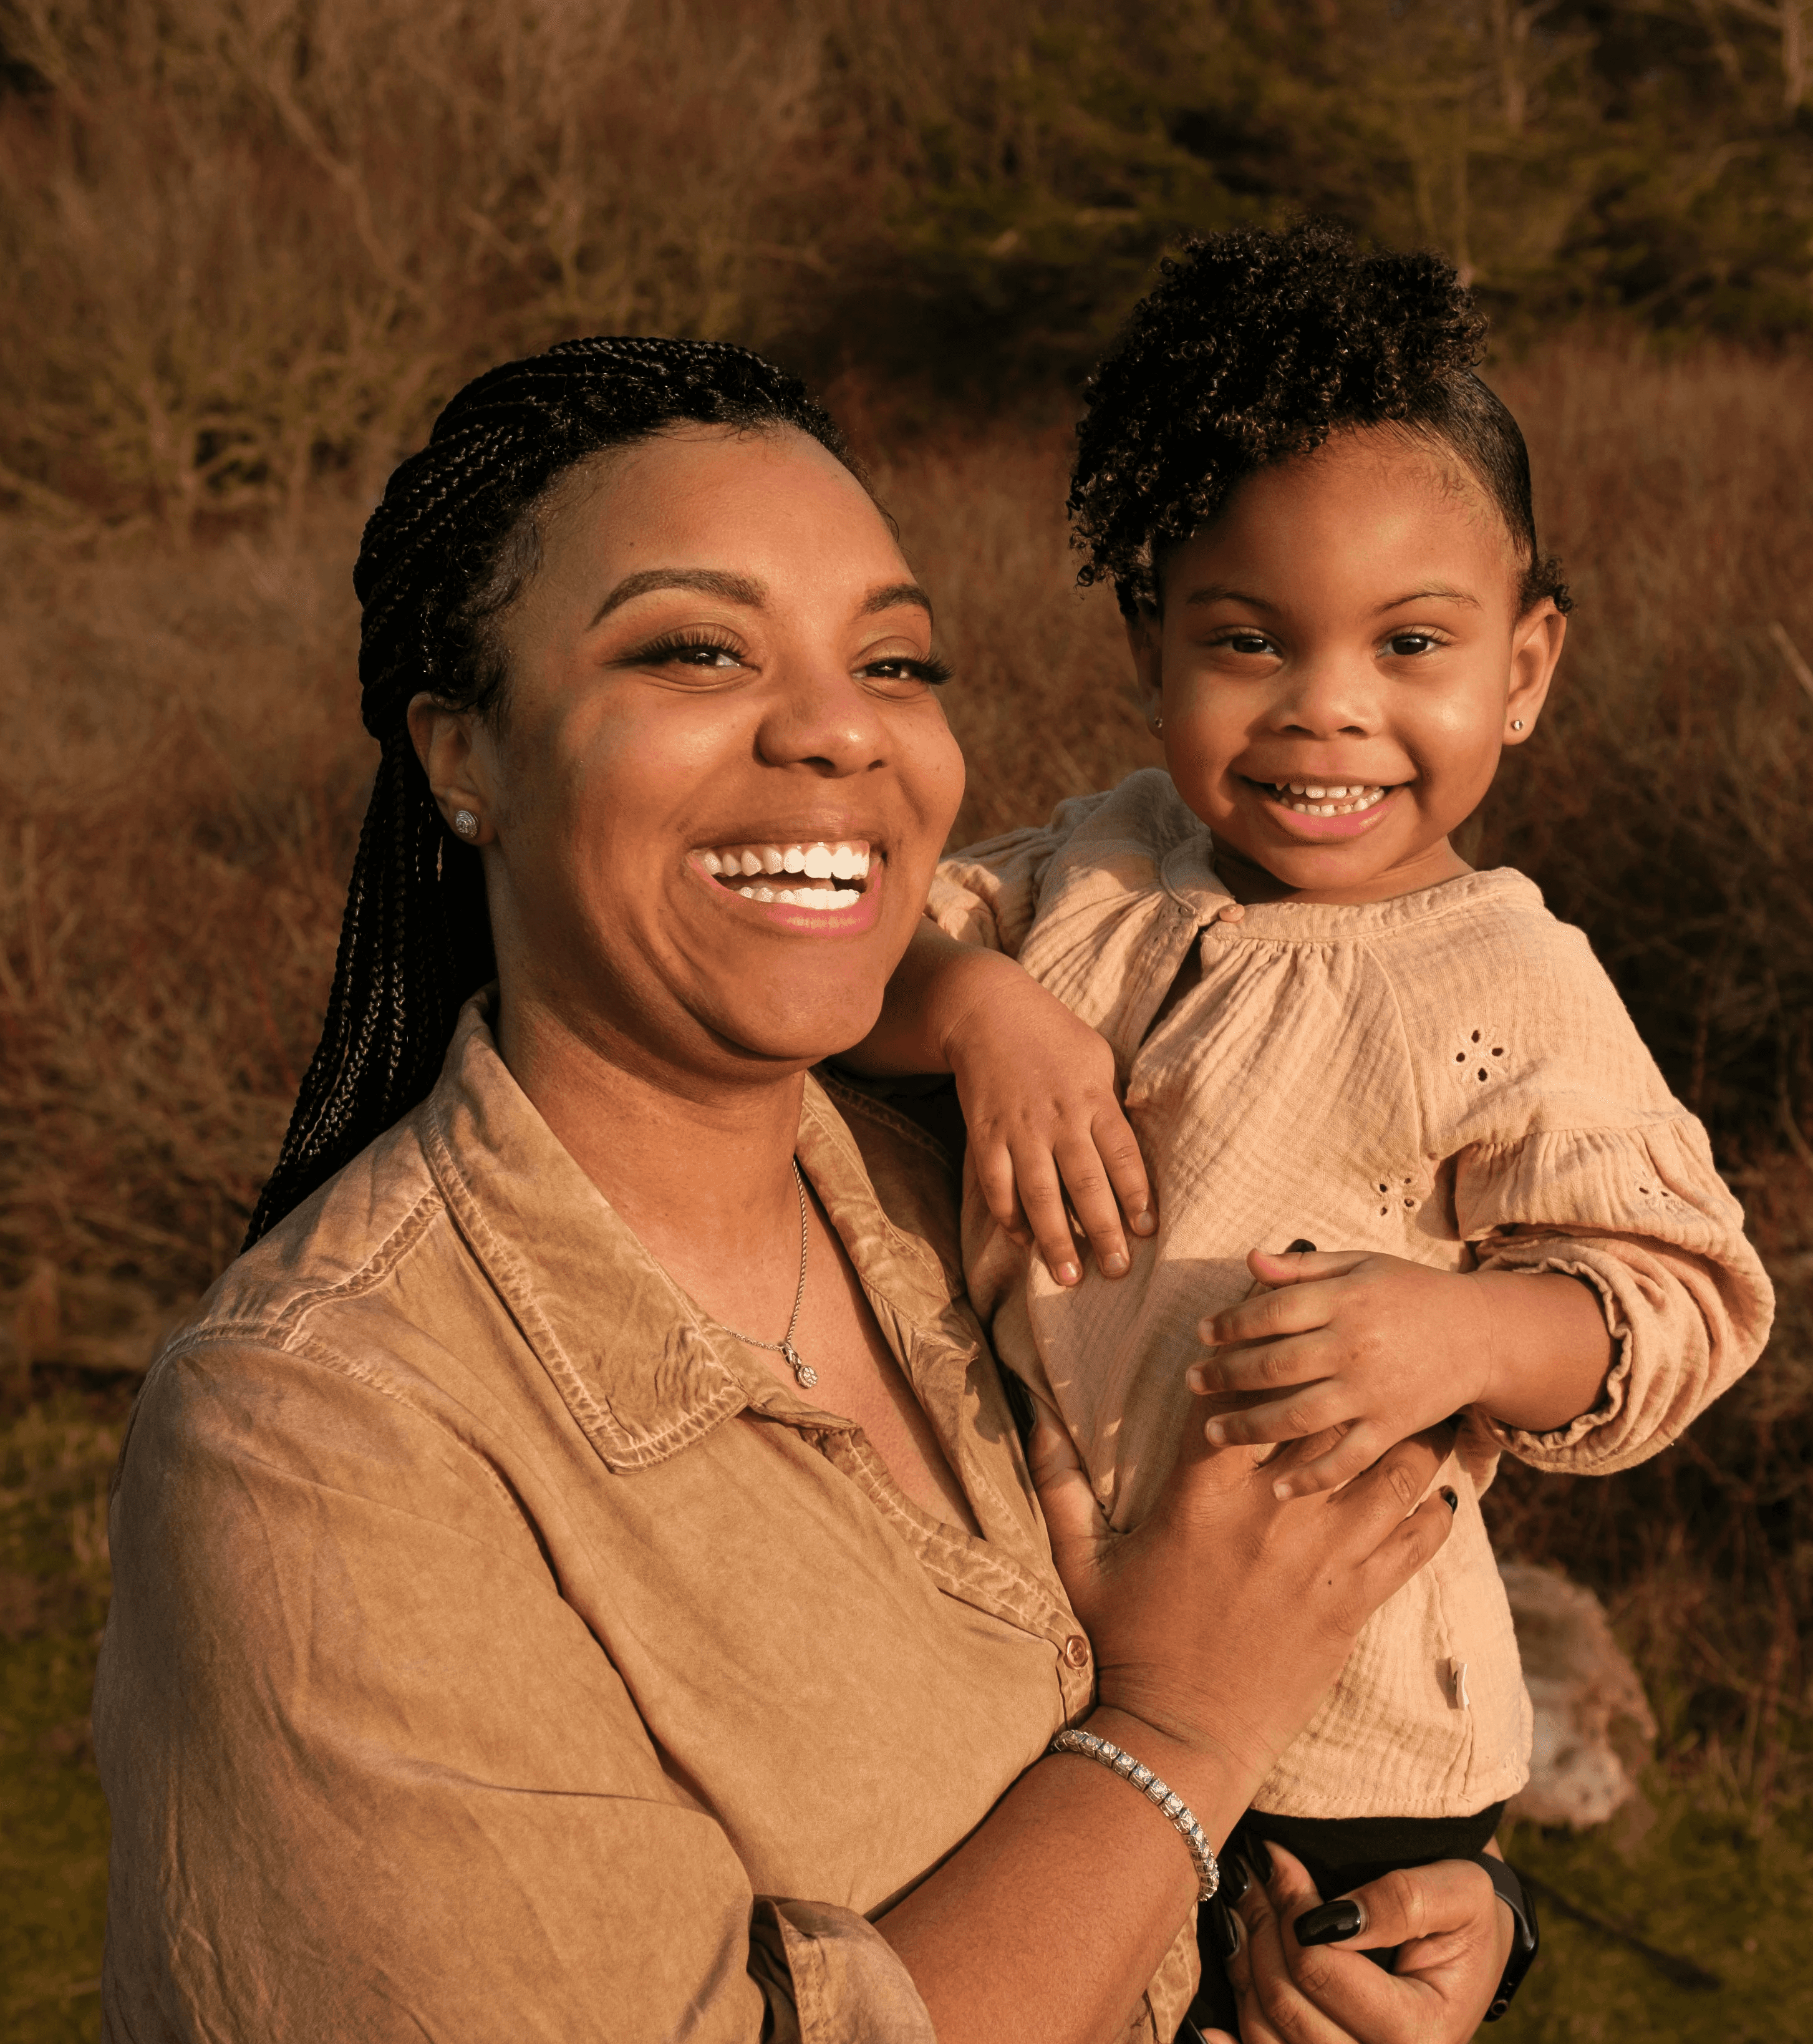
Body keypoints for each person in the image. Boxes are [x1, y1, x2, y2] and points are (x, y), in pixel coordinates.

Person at [90, 336, 1521, 2044]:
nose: (842, 729)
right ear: (460, 752)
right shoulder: (317, 1439)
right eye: (694, 648)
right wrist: (1179, 1733)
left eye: (897, 660)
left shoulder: (1003, 1194)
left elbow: (1276, 1706)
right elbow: (1194, 1701)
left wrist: (1395, 1920)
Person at [846, 223, 1778, 1992]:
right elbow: (842, 964)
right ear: (1151, 645)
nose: (1326, 709)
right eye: (1250, 640)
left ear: (1522, 666)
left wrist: (1467, 1328)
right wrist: (975, 1009)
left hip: (1353, 1747)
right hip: (1039, 1671)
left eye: (1410, 642)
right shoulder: (1091, 869)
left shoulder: (1500, 982)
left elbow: (1684, 1295)